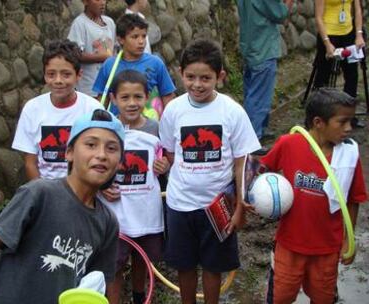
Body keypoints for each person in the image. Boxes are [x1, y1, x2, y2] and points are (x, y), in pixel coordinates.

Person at [0, 109, 124, 304]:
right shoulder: (39, 194)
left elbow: (103, 284)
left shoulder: (108, 222)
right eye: (91, 144)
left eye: (111, 148)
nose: (101, 155)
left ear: (120, 162)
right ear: (69, 152)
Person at [159, 39, 261, 304]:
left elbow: (242, 161)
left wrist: (239, 205)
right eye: (190, 77)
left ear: (220, 76)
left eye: (206, 78)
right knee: (184, 265)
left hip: (217, 206)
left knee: (214, 266)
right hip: (180, 204)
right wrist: (163, 165)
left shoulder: (232, 111)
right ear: (181, 74)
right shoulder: (173, 110)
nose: (197, 84)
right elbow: (170, 153)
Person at [262, 88, 367, 303]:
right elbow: (261, 170)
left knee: (323, 297)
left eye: (352, 122)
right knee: (280, 297)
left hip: (327, 248)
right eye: (342, 122)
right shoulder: (289, 144)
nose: (349, 129)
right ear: (319, 122)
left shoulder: (349, 154)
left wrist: (348, 239)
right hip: (289, 245)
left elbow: (353, 200)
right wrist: (255, 197)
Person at [99, 70, 169, 304]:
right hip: (115, 213)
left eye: (138, 97)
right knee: (114, 264)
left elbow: (166, 158)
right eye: (125, 97)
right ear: (113, 98)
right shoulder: (105, 129)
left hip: (146, 210)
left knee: (142, 259)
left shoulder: (155, 128)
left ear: (146, 97)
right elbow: (94, 165)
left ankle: (140, 297)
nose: (132, 103)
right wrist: (101, 187)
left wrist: (164, 164)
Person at [12, 39, 104, 180]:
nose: (58, 80)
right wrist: (42, 195)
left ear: (79, 75)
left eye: (66, 74)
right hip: (46, 190)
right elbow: (30, 163)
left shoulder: (93, 109)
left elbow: (100, 157)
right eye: (51, 74)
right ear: (44, 75)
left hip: (84, 190)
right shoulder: (32, 109)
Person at [93, 13, 176, 113]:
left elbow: (167, 96)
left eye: (144, 36)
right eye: (135, 37)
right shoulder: (109, 65)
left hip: (147, 126)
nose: (141, 41)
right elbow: (102, 100)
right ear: (121, 40)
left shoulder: (156, 63)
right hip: (118, 125)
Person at [236, 0, 293, 141]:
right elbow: (280, 14)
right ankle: (253, 136)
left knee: (252, 92)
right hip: (263, 48)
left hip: (250, 46)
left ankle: (259, 128)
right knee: (259, 96)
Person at [313, 0, 365, 128]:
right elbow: (318, 17)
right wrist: (327, 43)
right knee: (323, 78)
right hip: (329, 34)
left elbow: (357, 9)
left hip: (348, 33)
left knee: (352, 76)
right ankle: (318, 116)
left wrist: (359, 34)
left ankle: (348, 117)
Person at [67, 0, 116, 97]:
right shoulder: (80, 23)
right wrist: (102, 57)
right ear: (85, 2)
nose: (102, 3)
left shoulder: (109, 23)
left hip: (109, 83)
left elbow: (114, 49)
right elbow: (74, 54)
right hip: (89, 87)